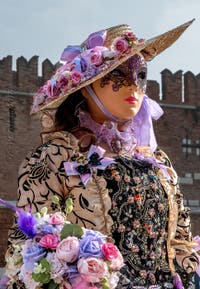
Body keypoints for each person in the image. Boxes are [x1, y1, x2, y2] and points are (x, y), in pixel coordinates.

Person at [3, 20, 199, 289]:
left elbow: (181, 243)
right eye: (118, 75)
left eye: (140, 76)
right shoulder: (53, 158)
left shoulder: (158, 163)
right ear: (87, 85)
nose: (133, 86)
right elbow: (25, 251)